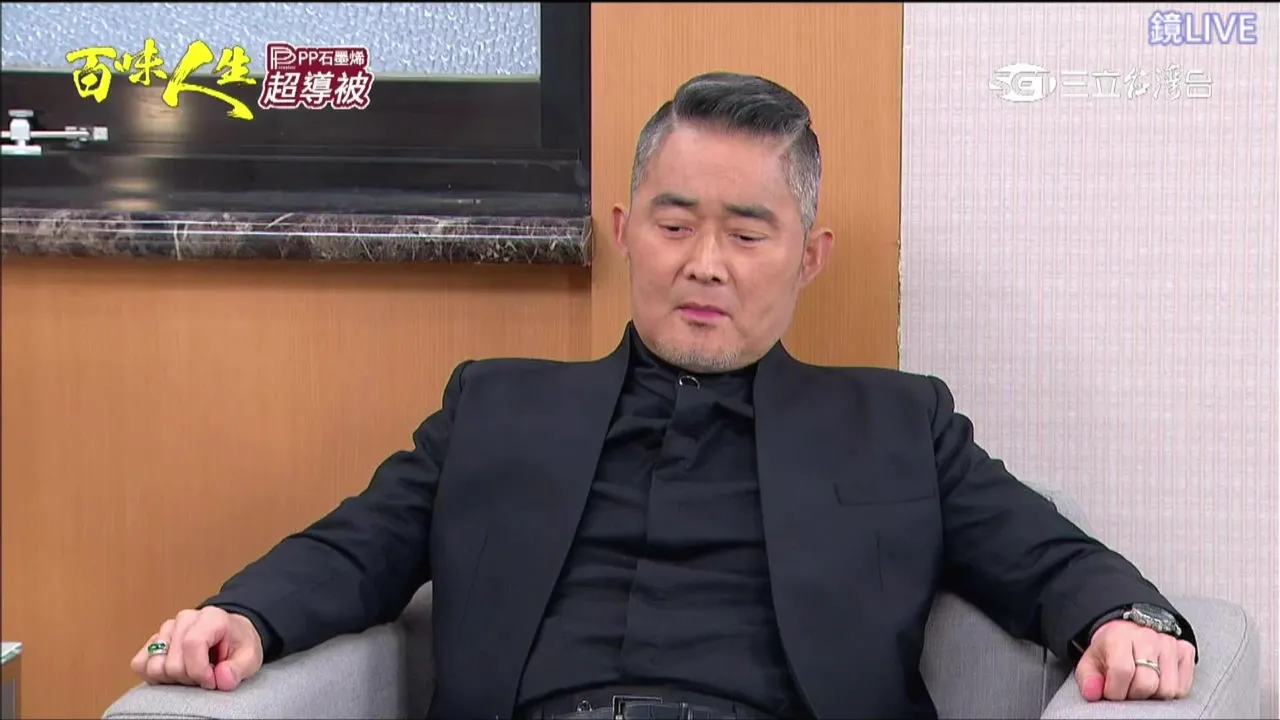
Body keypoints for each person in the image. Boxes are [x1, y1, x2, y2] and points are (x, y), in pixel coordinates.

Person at [130, 72, 1198, 720]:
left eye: (746, 233)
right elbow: (358, 546)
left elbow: (1046, 556)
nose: (704, 263)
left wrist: (1125, 619)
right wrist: (245, 615)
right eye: (675, 223)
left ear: (809, 256)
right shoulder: (495, 408)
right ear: (624, 231)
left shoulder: (897, 426)